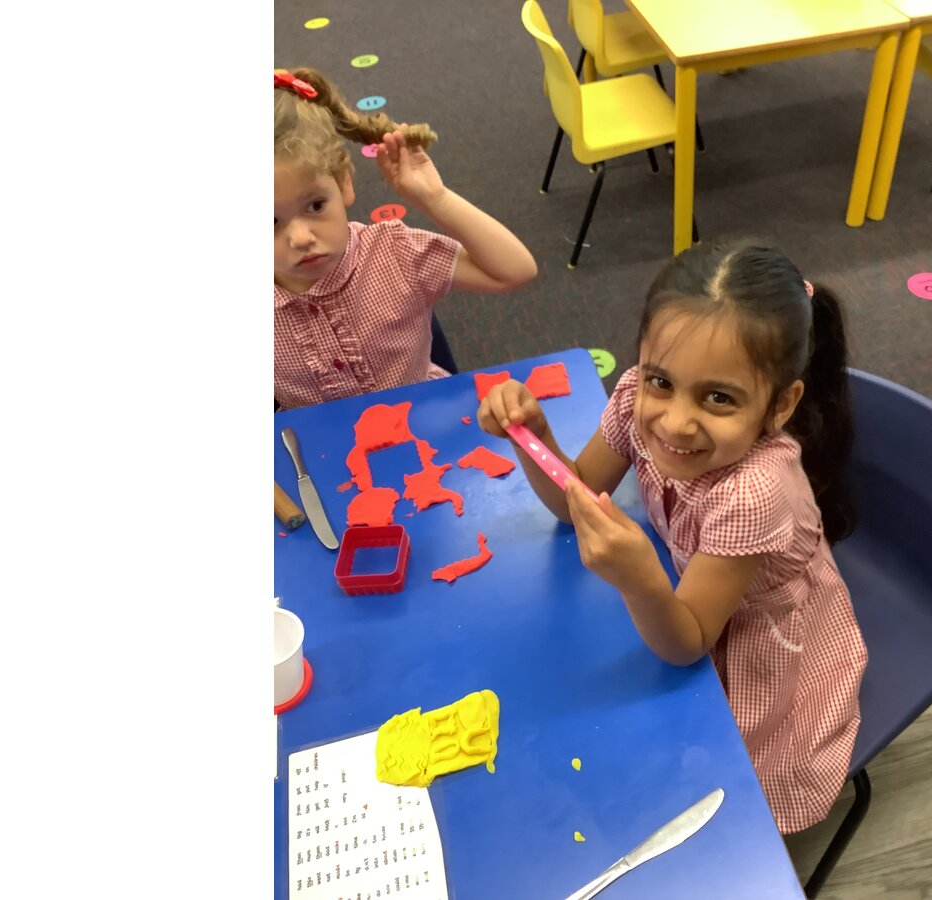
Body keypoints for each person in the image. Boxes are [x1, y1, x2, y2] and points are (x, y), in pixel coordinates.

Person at [477, 238, 866, 834]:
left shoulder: (754, 491)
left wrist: (642, 583)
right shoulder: (636, 396)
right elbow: (576, 497)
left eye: (719, 398)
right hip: (687, 594)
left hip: (757, 632)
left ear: (782, 404)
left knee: (716, 793)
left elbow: (689, 642)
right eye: (662, 380)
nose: (676, 422)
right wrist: (534, 437)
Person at [274, 67, 537, 410]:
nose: (300, 237)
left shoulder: (394, 253)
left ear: (343, 183)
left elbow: (515, 271)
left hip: (427, 424)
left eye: (315, 206)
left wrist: (435, 198)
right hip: (311, 443)